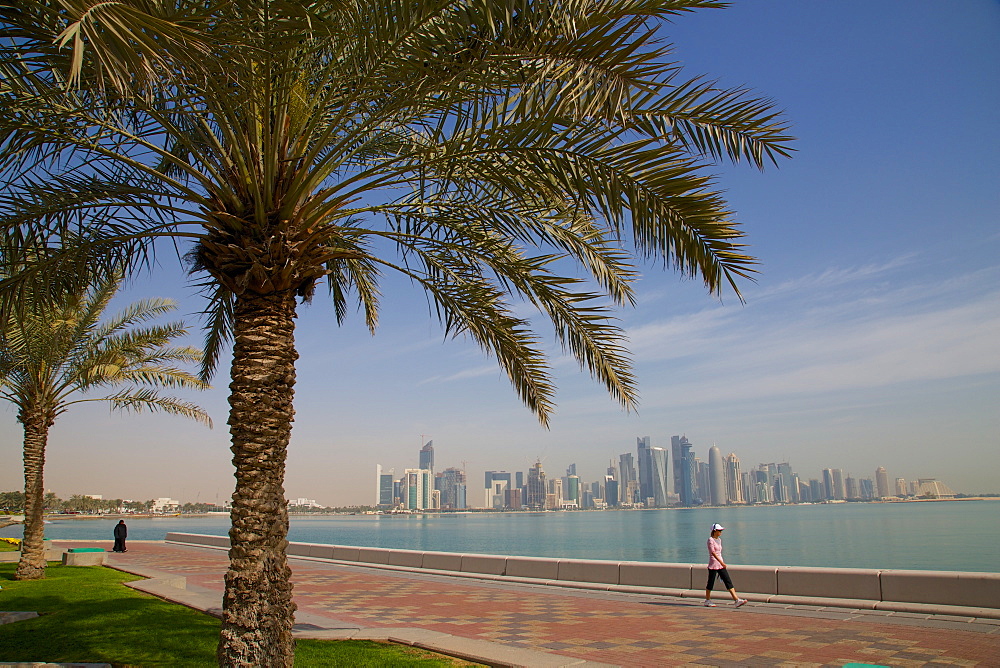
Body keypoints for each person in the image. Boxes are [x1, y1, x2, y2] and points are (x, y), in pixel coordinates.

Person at [704, 523, 746, 607]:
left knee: (727, 581)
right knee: (710, 583)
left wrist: (722, 562)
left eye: (721, 530)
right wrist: (721, 562)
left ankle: (736, 600)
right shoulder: (710, 540)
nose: (721, 532)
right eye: (719, 530)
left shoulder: (719, 540)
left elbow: (719, 552)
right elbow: (713, 552)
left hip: (720, 564)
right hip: (713, 564)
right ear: (714, 531)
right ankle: (707, 600)